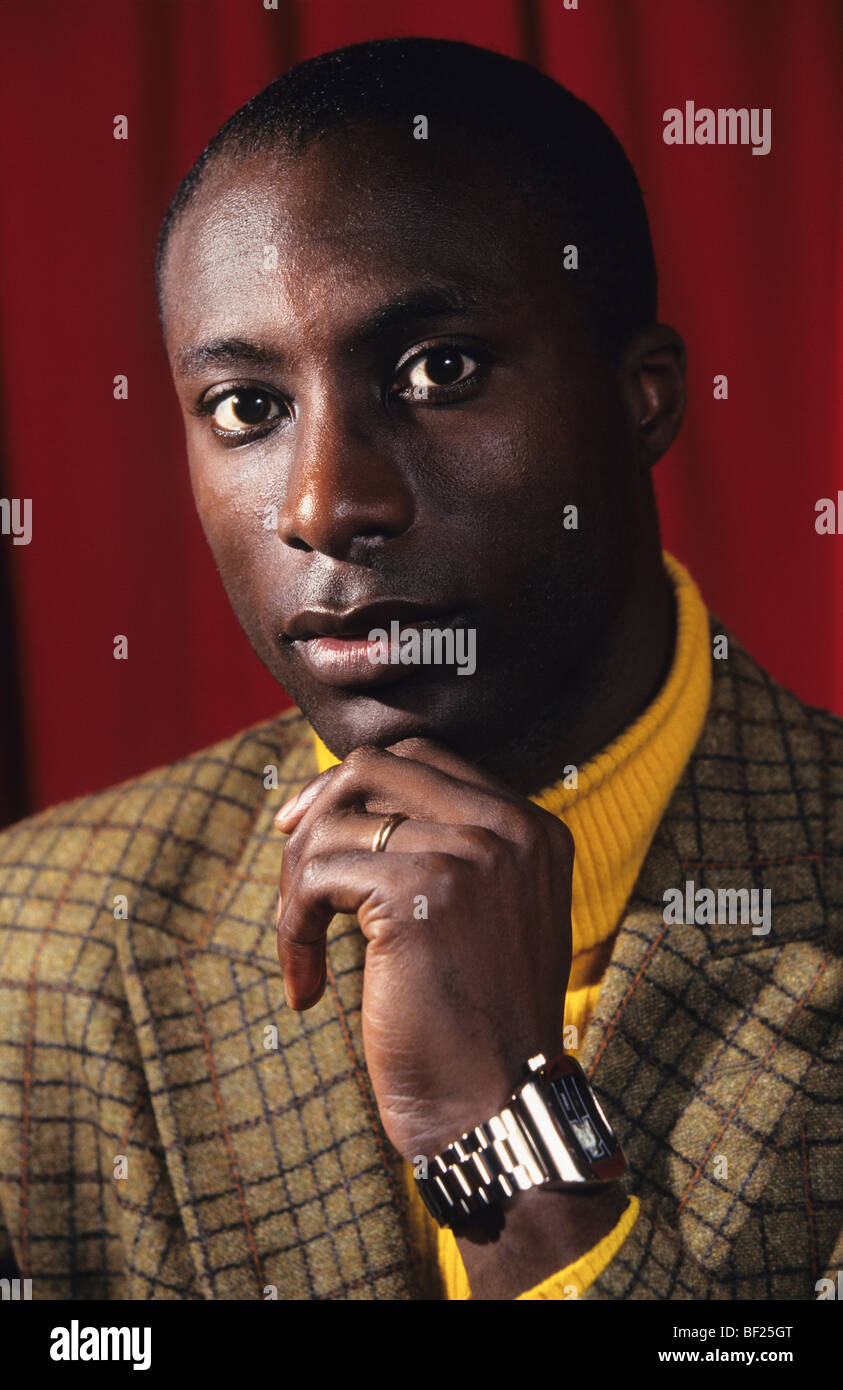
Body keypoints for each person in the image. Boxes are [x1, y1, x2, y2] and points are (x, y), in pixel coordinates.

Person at [0, 37, 839, 1302]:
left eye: (437, 370)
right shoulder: (31, 954)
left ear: (645, 398)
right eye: (245, 408)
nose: (328, 505)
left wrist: (497, 1131)